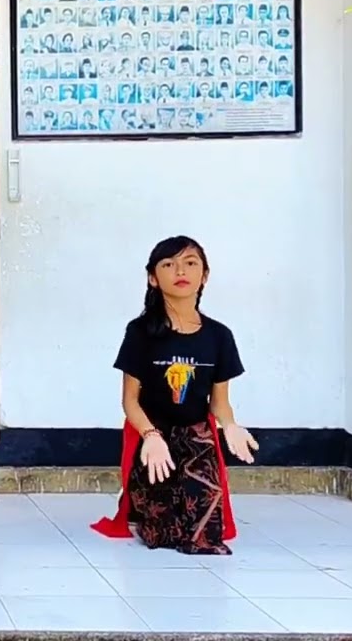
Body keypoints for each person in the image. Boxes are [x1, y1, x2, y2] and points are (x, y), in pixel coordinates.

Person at [91, 236, 257, 555]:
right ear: (153, 278)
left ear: (204, 275)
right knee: (163, 535)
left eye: (190, 263)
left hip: (196, 438)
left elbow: (219, 403)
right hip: (152, 436)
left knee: (204, 534)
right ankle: (139, 501)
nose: (180, 271)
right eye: (168, 264)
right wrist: (151, 436)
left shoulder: (219, 336)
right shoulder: (140, 332)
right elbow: (130, 401)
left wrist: (231, 426)